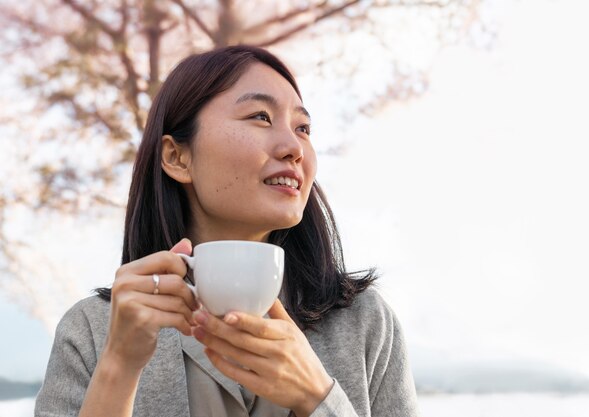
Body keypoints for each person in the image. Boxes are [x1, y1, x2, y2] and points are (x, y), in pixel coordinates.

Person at [35, 45, 420, 417]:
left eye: (303, 127)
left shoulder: (366, 323)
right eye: (260, 117)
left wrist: (317, 398)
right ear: (176, 157)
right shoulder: (91, 331)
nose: (294, 147)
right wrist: (118, 365)